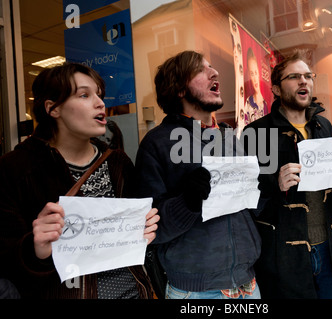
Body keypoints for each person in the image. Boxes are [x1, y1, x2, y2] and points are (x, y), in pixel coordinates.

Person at [0, 63, 159, 299]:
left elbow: (136, 235)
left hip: (134, 292)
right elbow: (7, 257)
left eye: (99, 95)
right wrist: (34, 248)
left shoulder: (118, 162)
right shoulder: (15, 168)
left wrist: (145, 228)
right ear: (53, 109)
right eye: (84, 95)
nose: (100, 103)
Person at [135, 50, 262, 299]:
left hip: (248, 284)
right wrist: (187, 203)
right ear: (180, 89)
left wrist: (264, 188)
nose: (214, 73)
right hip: (197, 292)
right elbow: (147, 229)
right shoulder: (157, 143)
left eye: (212, 68)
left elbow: (250, 210)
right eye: (201, 70)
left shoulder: (230, 138)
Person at [243, 51, 332, 299]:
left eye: (307, 76)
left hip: (328, 248)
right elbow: (247, 196)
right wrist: (274, 182)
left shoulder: (324, 126)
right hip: (284, 256)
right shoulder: (257, 132)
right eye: (294, 77)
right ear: (277, 89)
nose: (304, 81)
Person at [244, 47, 267, 125]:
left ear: (259, 73)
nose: (254, 78)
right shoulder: (248, 104)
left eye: (256, 73)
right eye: (252, 74)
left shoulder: (266, 103)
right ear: (249, 76)